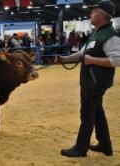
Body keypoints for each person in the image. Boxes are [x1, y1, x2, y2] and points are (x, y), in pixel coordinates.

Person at [55, 0, 120, 157]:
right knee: (97, 112)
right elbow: (82, 54)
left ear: (101, 15)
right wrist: (65, 59)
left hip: (96, 82)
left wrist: (93, 61)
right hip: (91, 81)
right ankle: (105, 145)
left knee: (87, 114)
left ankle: (80, 148)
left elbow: (117, 60)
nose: (90, 14)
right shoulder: (96, 34)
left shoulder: (110, 35)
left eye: (93, 11)